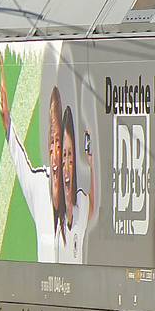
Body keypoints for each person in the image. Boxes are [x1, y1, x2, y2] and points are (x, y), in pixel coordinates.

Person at [0, 59, 64, 263]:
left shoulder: (75, 200)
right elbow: (20, 160)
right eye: (51, 143)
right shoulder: (38, 184)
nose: (55, 152)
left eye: (59, 144)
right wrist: (7, 121)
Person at [58, 106, 94, 264]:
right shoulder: (52, 213)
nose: (66, 165)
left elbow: (92, 206)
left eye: (70, 154)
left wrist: (92, 164)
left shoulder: (81, 205)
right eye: (63, 156)